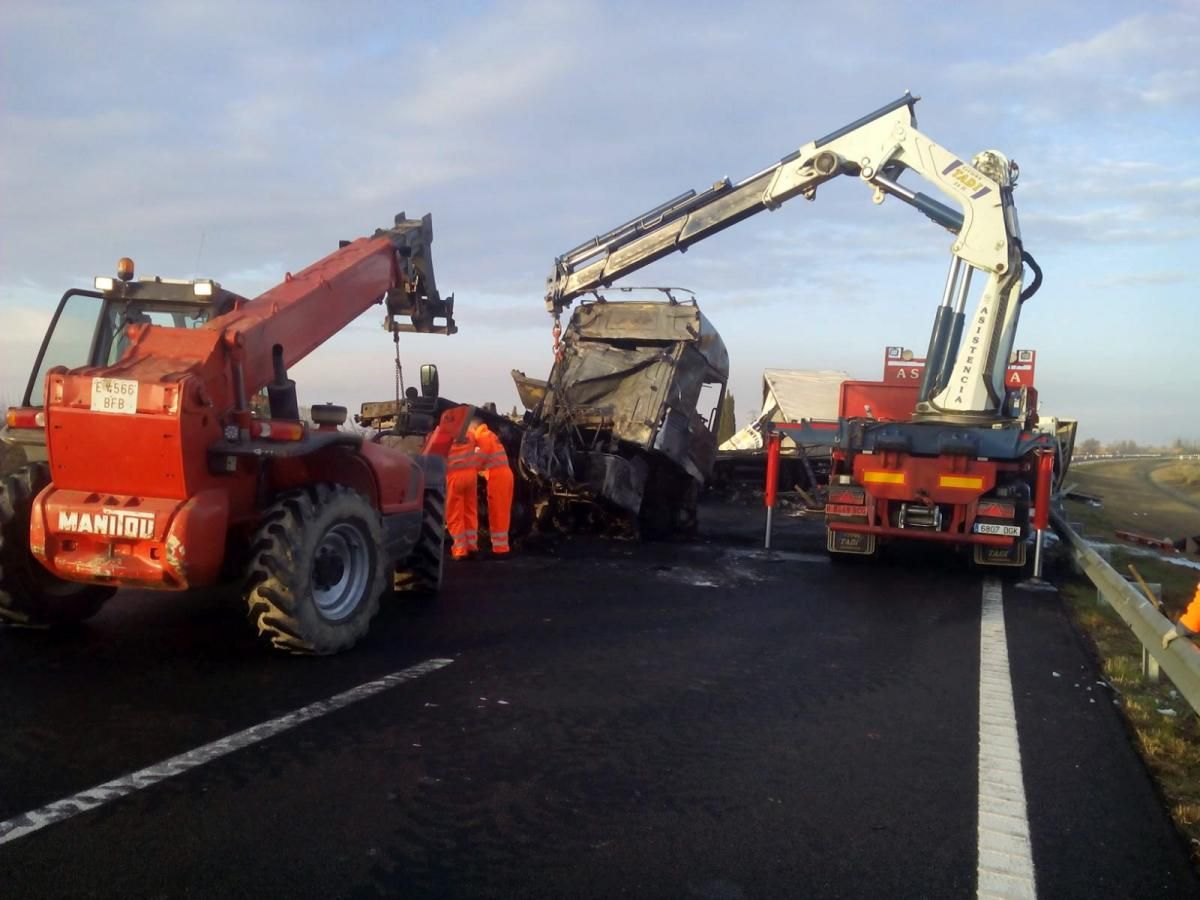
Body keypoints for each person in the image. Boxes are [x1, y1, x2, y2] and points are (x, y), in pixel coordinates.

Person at [469, 415, 513, 557]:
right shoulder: (489, 435)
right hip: (502, 475)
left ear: (474, 427)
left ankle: (500, 550)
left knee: (498, 513)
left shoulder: (483, 437)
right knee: (501, 513)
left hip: (498, 477)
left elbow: (479, 459)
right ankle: (501, 547)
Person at [445, 426, 480, 560]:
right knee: (470, 511)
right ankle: (472, 546)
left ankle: (460, 550)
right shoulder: (470, 435)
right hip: (471, 476)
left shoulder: (446, 435)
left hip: (454, 477)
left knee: (455, 514)